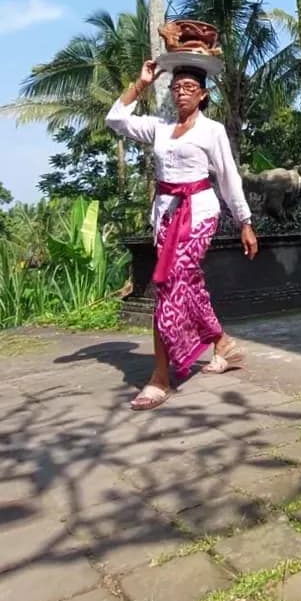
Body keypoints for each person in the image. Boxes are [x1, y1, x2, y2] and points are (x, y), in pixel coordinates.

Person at [106, 58, 258, 410]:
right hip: (165, 216)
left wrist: (245, 221)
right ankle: (223, 345)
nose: (182, 94)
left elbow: (228, 177)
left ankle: (160, 377)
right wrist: (141, 83)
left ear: (203, 95)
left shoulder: (212, 130)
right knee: (185, 284)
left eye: (190, 88)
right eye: (176, 88)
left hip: (200, 212)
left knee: (169, 283)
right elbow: (115, 119)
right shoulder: (159, 127)